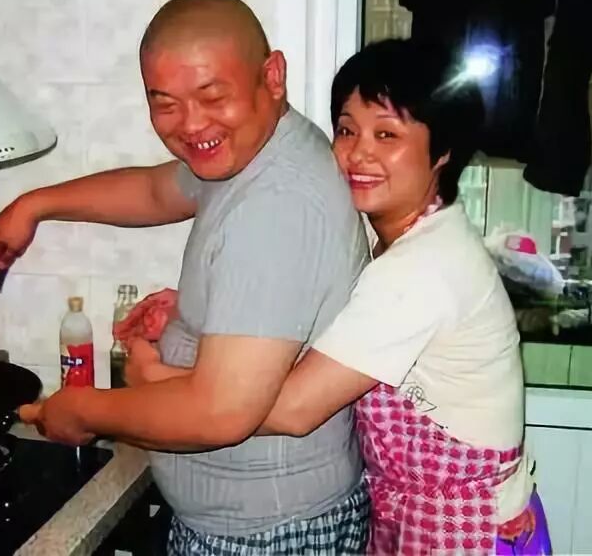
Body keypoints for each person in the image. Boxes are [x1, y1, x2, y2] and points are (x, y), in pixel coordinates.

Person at [120, 39, 552, 555]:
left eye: (387, 134)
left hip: (465, 532)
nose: (358, 153)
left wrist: (155, 376)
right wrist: (203, 308)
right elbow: (340, 323)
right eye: (347, 130)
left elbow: (294, 409)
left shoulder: (423, 268)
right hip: (421, 516)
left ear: (443, 152)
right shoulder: (409, 237)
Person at [0, 0, 371, 554]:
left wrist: (85, 409)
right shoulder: (256, 148)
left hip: (268, 535)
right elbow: (153, 191)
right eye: (165, 103)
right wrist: (34, 205)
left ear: (272, 76)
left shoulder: (278, 203)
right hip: (254, 522)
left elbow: (221, 412)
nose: (191, 124)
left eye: (212, 96)